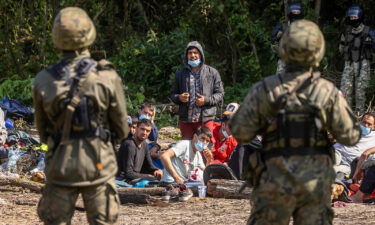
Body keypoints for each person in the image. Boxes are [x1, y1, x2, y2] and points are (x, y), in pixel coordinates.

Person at [230, 20, 361, 225]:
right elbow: (351, 135)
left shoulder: (265, 88)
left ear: (284, 49)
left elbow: (239, 131)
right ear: (317, 51)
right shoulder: (326, 91)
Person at [33, 7, 128, 225]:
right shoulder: (107, 77)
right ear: (89, 35)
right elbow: (122, 129)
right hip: (98, 164)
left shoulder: (43, 80)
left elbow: (43, 133)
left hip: (60, 165)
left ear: (57, 38)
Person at [170, 41, 224, 140]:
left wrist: (206, 100)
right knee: (187, 149)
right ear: (186, 56)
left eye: (195, 52)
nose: (192, 55)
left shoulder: (212, 72)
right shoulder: (180, 73)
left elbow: (220, 94)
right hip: (186, 120)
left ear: (201, 54)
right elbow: (172, 94)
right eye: (190, 53)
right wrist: (179, 97)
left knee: (205, 149)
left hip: (206, 119)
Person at [160, 126, 213, 201]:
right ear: (195, 136)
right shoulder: (184, 145)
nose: (204, 142)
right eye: (202, 138)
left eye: (207, 141)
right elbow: (164, 156)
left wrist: (209, 160)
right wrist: (176, 177)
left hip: (184, 184)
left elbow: (205, 175)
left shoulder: (198, 155)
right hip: (171, 182)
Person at [339, 5, 375, 112]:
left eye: (355, 17)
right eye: (351, 17)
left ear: (360, 16)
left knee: (361, 91)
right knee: (345, 90)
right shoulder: (346, 31)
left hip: (363, 64)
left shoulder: (370, 31)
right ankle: (346, 114)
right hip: (349, 64)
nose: (353, 19)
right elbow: (341, 47)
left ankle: (360, 115)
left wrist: (371, 46)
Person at [117, 119, 163, 185]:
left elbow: (149, 166)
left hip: (135, 177)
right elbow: (128, 173)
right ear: (136, 129)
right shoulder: (129, 144)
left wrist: (156, 170)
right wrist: (147, 176)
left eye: (147, 131)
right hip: (123, 179)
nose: (144, 133)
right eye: (142, 129)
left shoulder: (144, 144)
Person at [271, 2, 304, 75]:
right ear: (290, 12)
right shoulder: (282, 26)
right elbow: (273, 39)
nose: (295, 13)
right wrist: (279, 35)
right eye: (294, 11)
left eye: (297, 11)